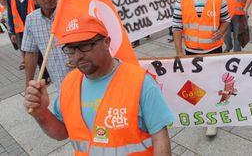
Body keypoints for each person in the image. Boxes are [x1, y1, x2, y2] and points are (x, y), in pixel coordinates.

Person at [23, 15, 174, 155]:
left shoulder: (141, 82)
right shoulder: (69, 83)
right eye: (71, 49)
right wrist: (41, 113)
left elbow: (160, 138)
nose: (78, 55)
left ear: (107, 42)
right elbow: (62, 133)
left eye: (85, 45)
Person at [172, 0, 230, 137]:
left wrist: (220, 31)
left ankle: (212, 119)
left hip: (213, 51)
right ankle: (201, 112)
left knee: (213, 85)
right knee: (194, 85)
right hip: (191, 52)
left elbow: (226, 19)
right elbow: (177, 27)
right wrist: (179, 52)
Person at [21, 0, 72, 90]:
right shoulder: (31, 19)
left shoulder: (71, 13)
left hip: (82, 79)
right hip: (59, 84)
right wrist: (29, 84)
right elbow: (30, 53)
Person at [6, 0, 35, 70]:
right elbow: (10, 16)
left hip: (33, 27)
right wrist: (12, 32)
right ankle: (27, 63)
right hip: (20, 29)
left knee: (36, 47)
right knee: (24, 48)